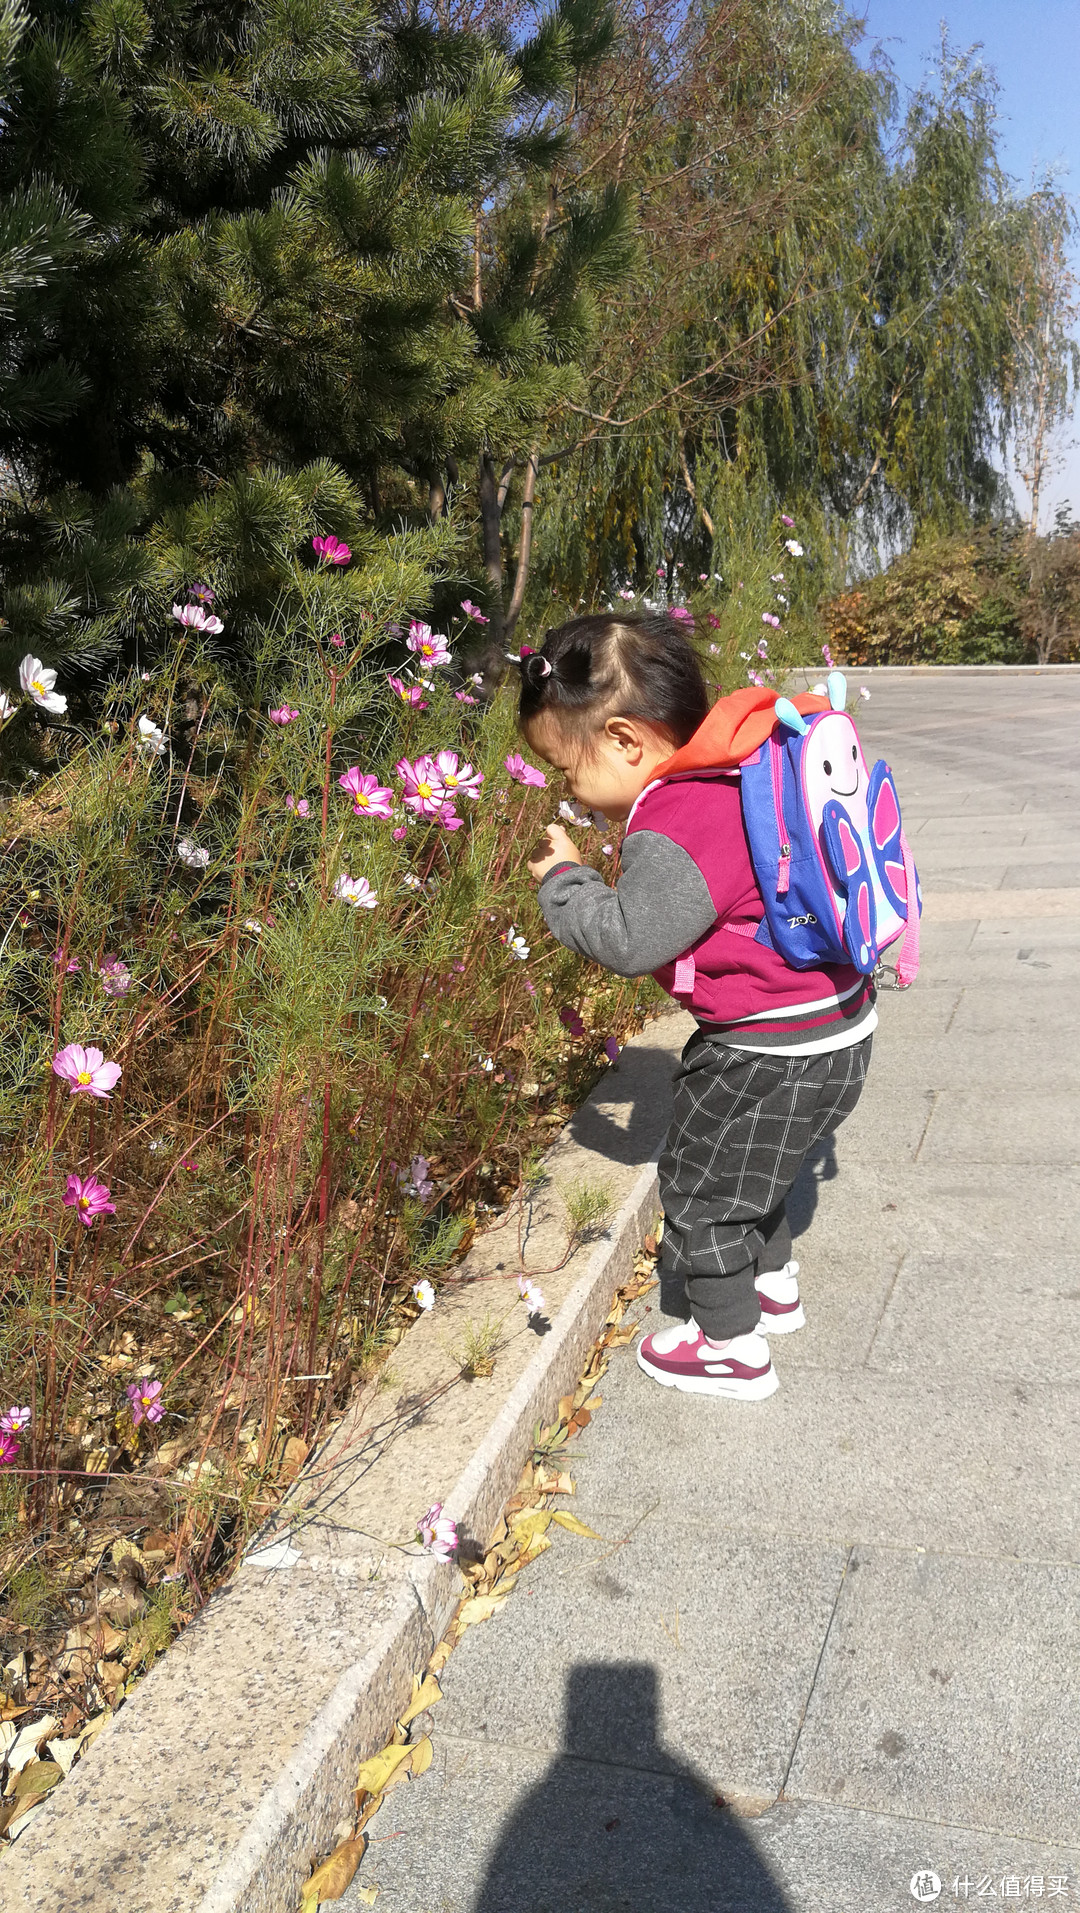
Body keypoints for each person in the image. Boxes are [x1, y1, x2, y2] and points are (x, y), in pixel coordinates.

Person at [520, 611, 875, 1402]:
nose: (571, 793)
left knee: (704, 1189)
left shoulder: (679, 818)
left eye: (565, 769)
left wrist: (565, 878)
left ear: (622, 739)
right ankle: (771, 1282)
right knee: (764, 1159)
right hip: (837, 1025)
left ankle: (728, 1346)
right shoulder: (739, 768)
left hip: (766, 1046)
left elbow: (628, 938)